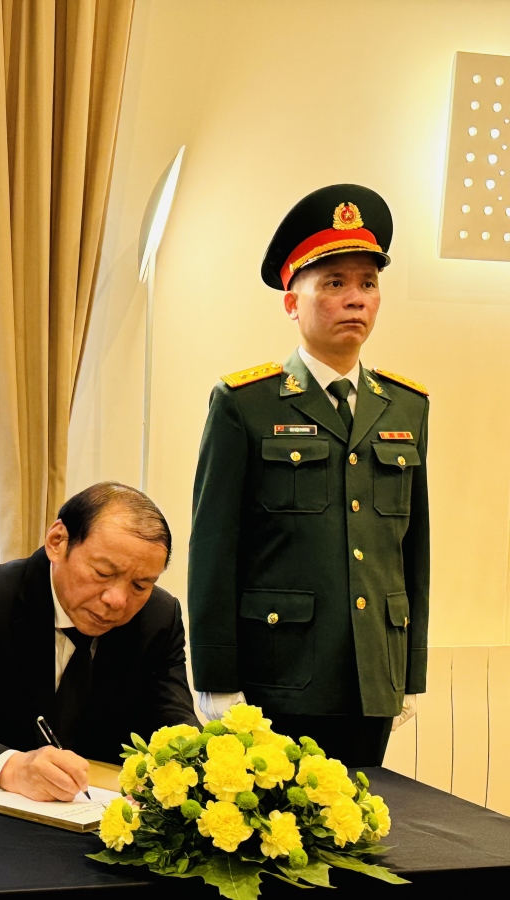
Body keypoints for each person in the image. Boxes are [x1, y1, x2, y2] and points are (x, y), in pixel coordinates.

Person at [188, 184, 428, 767]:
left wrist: (408, 670)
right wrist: (216, 677)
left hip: (371, 674)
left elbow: (413, 549)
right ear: (292, 303)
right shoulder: (246, 403)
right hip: (276, 676)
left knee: (362, 817)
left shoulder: (405, 406)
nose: (355, 300)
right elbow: (214, 547)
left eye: (368, 284)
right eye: (334, 284)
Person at [0, 482, 198, 799]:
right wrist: (12, 768)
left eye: (140, 585)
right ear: (58, 542)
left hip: (94, 814)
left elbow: (179, 733)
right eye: (103, 573)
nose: (117, 600)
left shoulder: (158, 618)